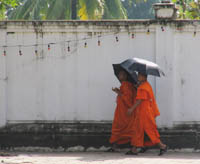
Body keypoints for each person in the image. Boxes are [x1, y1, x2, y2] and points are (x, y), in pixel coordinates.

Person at [126, 72, 167, 156]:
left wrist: (131, 109)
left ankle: (162, 146)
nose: (138, 77)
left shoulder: (144, 87)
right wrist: (138, 87)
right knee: (137, 130)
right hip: (142, 112)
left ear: (144, 77)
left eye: (140, 76)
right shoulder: (145, 85)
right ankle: (134, 149)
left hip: (145, 113)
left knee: (150, 130)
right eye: (138, 75)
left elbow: (140, 100)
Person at [107, 70, 136, 152]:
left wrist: (118, 92)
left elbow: (128, 100)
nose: (120, 76)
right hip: (121, 111)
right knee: (117, 129)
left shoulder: (126, 85)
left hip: (125, 112)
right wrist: (119, 91)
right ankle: (115, 146)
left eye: (122, 75)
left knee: (122, 129)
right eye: (119, 74)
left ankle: (133, 146)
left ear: (126, 76)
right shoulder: (124, 85)